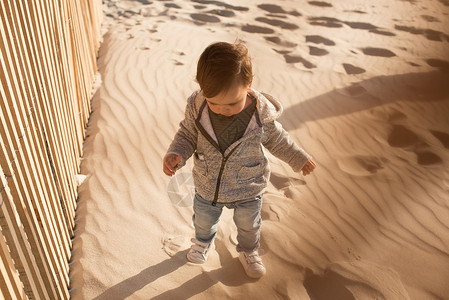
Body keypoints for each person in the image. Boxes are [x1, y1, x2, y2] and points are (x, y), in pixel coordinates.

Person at [163, 41, 316, 279]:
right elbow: (187, 135)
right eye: (215, 103)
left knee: (249, 226)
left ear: (249, 86)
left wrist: (299, 158)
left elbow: (278, 140)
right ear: (203, 90)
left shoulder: (260, 117)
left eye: (233, 103)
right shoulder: (198, 108)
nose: (223, 109)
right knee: (203, 221)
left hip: (248, 185)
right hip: (207, 184)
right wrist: (176, 154)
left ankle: (249, 250)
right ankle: (203, 242)